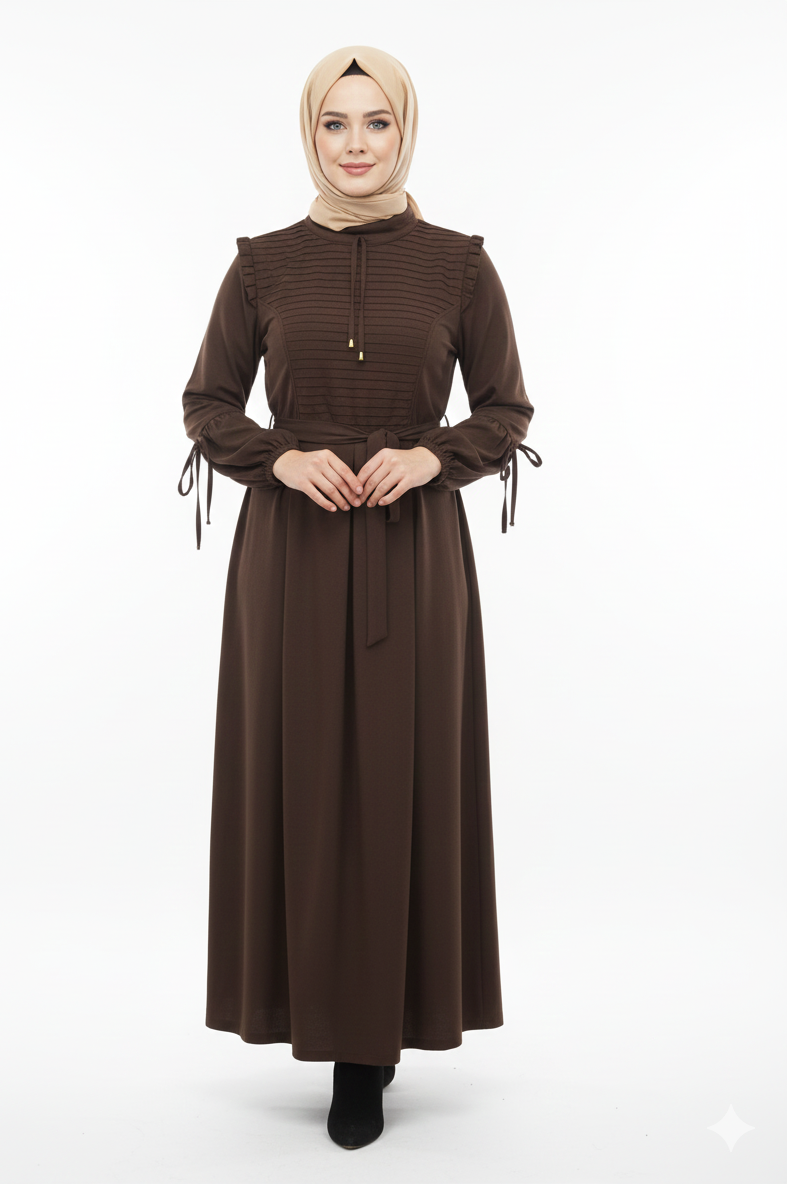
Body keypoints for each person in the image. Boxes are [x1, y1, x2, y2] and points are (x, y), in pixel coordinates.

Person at [177, 45, 542, 1151]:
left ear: (406, 131)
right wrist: (279, 459)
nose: (355, 144)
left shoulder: (461, 266)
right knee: (297, 777)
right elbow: (206, 402)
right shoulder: (260, 267)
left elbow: (507, 409)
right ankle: (307, 1012)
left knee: (396, 779)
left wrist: (435, 457)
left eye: (376, 122)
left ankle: (371, 1044)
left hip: (411, 555)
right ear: (309, 133)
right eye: (334, 123)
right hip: (288, 556)